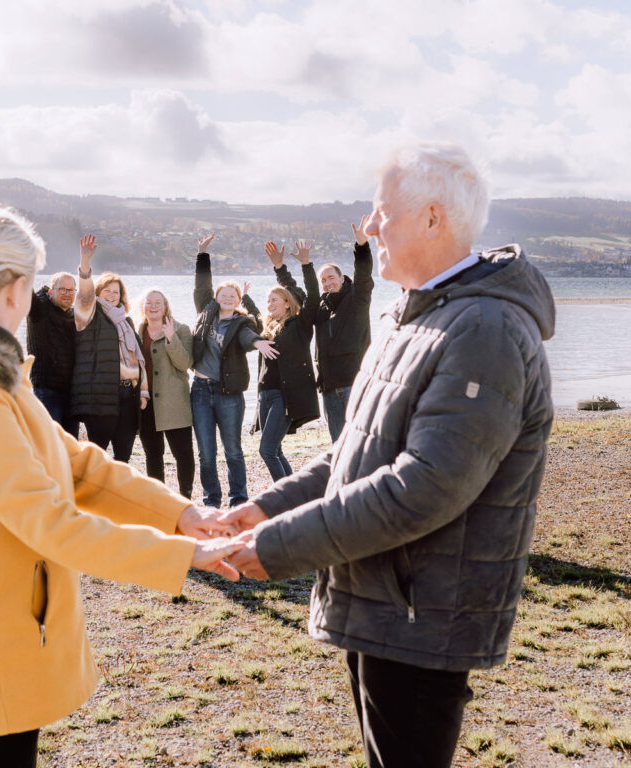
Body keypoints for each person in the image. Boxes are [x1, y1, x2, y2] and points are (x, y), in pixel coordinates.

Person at [0, 204, 240, 768]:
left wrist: (180, 514)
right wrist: (186, 555)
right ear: (16, 288)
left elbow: (78, 464)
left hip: (13, 622)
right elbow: (51, 522)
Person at [222, 141, 556, 768]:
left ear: (433, 218)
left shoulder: (483, 328)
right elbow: (354, 454)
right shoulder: (414, 315)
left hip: (423, 614)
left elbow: (424, 486)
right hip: (384, 600)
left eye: (381, 212)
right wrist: (263, 510)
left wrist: (278, 548)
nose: (369, 227)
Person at [191, 232, 277, 508]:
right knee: (206, 452)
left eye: (233, 295)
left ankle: (238, 500)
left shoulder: (243, 323)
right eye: (223, 295)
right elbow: (201, 287)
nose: (227, 298)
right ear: (216, 298)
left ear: (238, 300)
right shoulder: (206, 314)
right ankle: (211, 501)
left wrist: (258, 342)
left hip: (229, 394)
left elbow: (247, 337)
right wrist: (203, 254)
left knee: (233, 451)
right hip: (201, 391)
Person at [274, 217, 374, 442]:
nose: (327, 283)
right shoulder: (320, 309)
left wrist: (361, 246)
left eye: (331, 278)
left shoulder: (357, 299)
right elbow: (297, 294)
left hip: (355, 383)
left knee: (361, 441)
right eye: (323, 281)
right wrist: (281, 269)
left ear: (341, 278)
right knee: (338, 445)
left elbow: (364, 273)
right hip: (329, 387)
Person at [71, 235, 147, 462]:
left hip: (128, 397)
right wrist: (85, 262)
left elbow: (137, 360)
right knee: (97, 457)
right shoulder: (90, 315)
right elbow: (84, 295)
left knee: (123, 457)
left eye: (116, 292)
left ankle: (117, 496)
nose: (112, 296)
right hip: (101, 397)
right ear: (98, 293)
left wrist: (142, 392)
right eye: (107, 291)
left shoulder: (126, 322)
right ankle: (92, 496)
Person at [253, 240, 320, 481]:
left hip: (285, 396)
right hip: (265, 395)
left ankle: (282, 497)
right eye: (268, 300)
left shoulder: (300, 325)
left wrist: (303, 265)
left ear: (288, 303)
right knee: (275, 449)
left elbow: (311, 295)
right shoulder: (267, 329)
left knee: (266, 450)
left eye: (275, 300)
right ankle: (292, 494)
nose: (270, 304)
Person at [137, 288, 196, 499]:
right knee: (153, 454)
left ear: (165, 307)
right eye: (149, 302)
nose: (153, 306)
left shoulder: (181, 329)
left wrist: (171, 338)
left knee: (183, 454)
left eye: (157, 303)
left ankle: (185, 498)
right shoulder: (136, 331)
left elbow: (185, 364)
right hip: (146, 403)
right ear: (142, 306)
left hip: (174, 403)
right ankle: (159, 500)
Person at [26, 270, 78, 435]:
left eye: (71, 290)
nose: (67, 294)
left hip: (71, 394)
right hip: (47, 391)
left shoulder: (73, 315)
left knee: (71, 448)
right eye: (62, 289)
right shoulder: (38, 311)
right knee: (50, 443)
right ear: (51, 291)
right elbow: (25, 288)